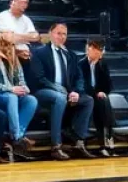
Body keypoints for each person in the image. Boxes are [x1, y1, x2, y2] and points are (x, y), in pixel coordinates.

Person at [26, 22, 94, 160]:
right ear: (51, 34)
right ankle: (56, 146)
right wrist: (60, 90)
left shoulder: (71, 55)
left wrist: (76, 91)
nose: (62, 37)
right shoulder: (39, 53)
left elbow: (79, 78)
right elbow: (40, 78)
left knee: (88, 100)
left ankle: (78, 141)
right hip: (43, 91)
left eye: (64, 34)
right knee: (59, 97)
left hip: (66, 92)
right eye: (58, 33)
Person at [0, 31, 37, 157]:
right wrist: (11, 89)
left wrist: (23, 87)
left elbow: (21, 78)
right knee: (11, 97)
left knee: (31, 100)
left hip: (12, 95)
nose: (10, 48)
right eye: (7, 44)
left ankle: (18, 135)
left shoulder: (13, 58)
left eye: (12, 45)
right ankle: (16, 136)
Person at [81, 37, 116, 156]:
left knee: (103, 101)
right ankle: (107, 139)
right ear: (87, 49)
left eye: (99, 50)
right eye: (93, 48)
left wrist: (98, 65)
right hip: (86, 95)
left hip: (99, 97)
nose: (96, 51)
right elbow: (83, 85)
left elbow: (108, 84)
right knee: (101, 103)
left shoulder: (103, 64)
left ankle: (105, 141)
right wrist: (97, 93)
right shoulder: (81, 64)